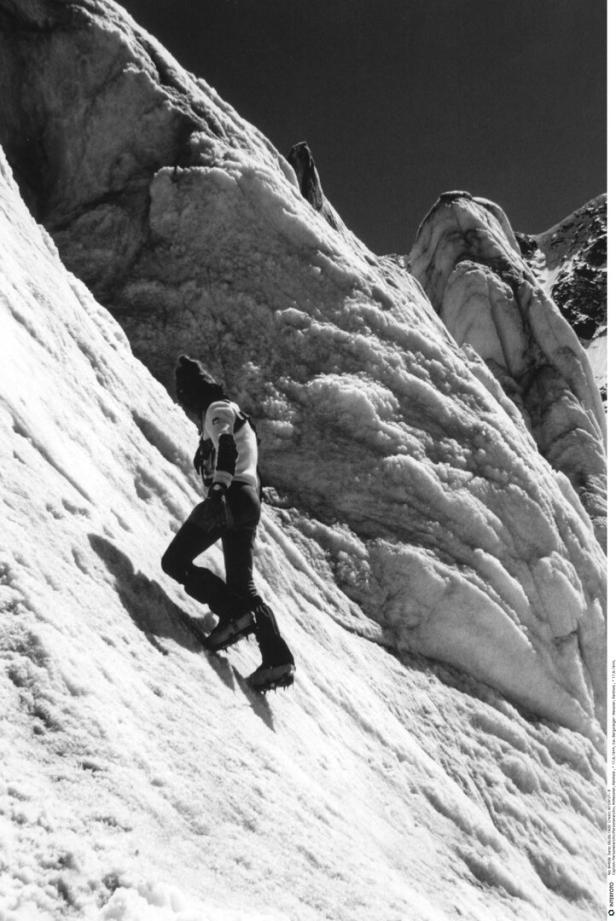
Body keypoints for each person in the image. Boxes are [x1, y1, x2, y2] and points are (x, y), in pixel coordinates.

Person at [161, 355, 295, 692]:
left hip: (230, 495)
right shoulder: (236, 416)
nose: (185, 403)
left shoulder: (217, 409)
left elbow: (226, 446)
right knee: (243, 586)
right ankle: (276, 658)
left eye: (185, 394)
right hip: (248, 502)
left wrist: (218, 490)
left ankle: (231, 613)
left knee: (174, 561)